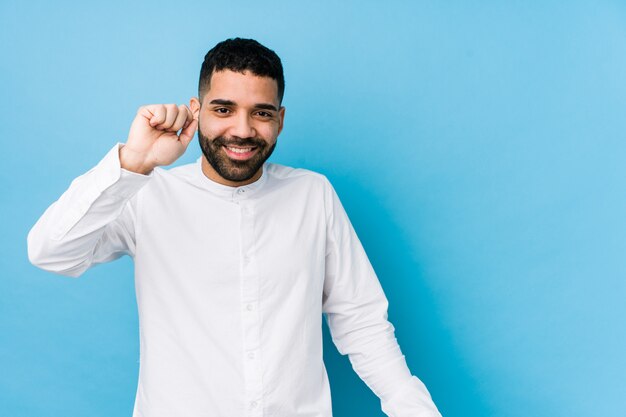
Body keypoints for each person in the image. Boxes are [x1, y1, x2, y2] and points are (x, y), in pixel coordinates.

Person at [27, 38, 442, 417]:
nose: (242, 130)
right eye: (223, 109)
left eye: (260, 113)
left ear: (279, 119)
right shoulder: (147, 193)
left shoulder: (313, 195)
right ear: (197, 110)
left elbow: (362, 322)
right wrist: (134, 161)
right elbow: (51, 252)